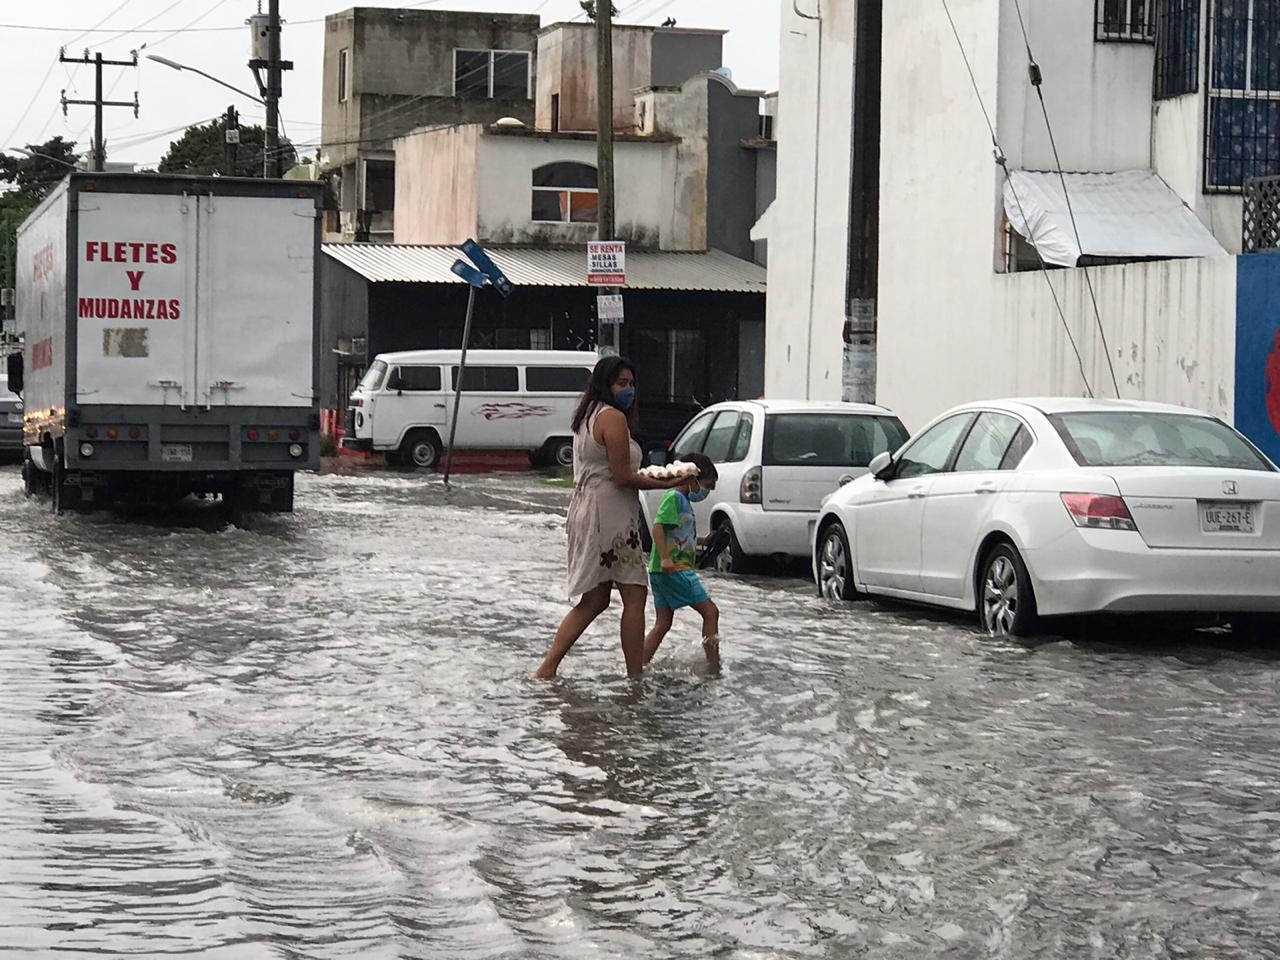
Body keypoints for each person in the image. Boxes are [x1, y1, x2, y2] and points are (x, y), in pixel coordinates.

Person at [533, 356, 680, 679]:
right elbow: (622, 476)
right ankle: (634, 676)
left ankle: (546, 669)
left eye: (631, 384)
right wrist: (668, 482)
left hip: (587, 508)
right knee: (634, 592)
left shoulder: (587, 416)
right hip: (609, 513)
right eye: (621, 384)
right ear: (605, 385)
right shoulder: (612, 417)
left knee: (596, 598)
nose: (628, 390)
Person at [643, 452, 721, 666]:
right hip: (674, 569)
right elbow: (658, 528)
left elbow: (679, 536)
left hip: (662, 570)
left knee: (663, 623)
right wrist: (667, 559)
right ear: (692, 479)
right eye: (708, 485)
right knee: (711, 611)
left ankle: (638, 664)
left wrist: (703, 540)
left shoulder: (683, 501)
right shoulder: (675, 498)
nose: (708, 492)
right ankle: (714, 664)